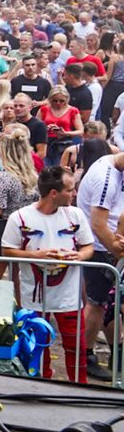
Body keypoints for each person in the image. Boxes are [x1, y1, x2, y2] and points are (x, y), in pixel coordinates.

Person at [2, 166, 94, 383]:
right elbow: (6, 250)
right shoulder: (19, 217)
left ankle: (79, 390)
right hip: (33, 296)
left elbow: (88, 246)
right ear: (54, 193)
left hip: (69, 297)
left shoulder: (76, 214)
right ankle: (40, 388)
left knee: (76, 347)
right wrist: (36, 255)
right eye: (70, 190)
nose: (74, 194)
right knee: (37, 348)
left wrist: (79, 256)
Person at [75, 150, 124, 381]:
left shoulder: (115, 166)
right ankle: (84, 356)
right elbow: (98, 224)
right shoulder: (106, 178)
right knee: (96, 304)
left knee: (109, 303)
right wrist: (116, 251)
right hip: (100, 247)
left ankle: (117, 351)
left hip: (108, 245)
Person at [0, 129, 39, 279]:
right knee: (19, 278)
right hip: (27, 229)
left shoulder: (3, 177)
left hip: (2, 230)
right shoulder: (35, 177)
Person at [39, 85, 83, 167]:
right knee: (44, 168)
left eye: (62, 101)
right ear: (50, 99)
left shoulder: (73, 110)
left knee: (59, 169)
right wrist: (45, 128)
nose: (58, 103)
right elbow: (36, 126)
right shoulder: (44, 109)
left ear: (67, 99)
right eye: (55, 101)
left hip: (63, 144)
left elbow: (81, 131)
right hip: (46, 143)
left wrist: (66, 133)